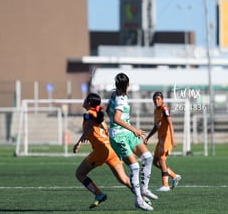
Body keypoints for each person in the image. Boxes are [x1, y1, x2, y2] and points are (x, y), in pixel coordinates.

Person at [106, 73, 156, 211]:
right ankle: (138, 200)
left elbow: (107, 110)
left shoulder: (113, 94)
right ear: (127, 85)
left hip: (127, 133)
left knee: (147, 157)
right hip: (119, 136)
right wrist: (134, 129)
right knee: (134, 167)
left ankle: (144, 190)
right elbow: (116, 118)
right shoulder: (120, 99)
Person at [73, 92, 131, 209]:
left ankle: (99, 195)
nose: (83, 101)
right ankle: (142, 196)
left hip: (101, 151)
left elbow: (89, 126)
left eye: (85, 99)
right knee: (124, 179)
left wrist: (80, 141)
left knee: (79, 174)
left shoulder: (88, 114)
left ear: (89, 103)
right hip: (111, 149)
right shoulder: (100, 117)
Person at [144, 91, 181, 191]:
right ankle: (174, 176)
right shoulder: (156, 111)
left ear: (162, 99)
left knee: (161, 159)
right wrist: (148, 137)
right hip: (160, 138)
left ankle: (165, 185)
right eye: (155, 99)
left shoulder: (165, 109)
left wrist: (173, 139)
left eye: (158, 99)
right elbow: (156, 127)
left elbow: (170, 124)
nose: (156, 101)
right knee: (156, 162)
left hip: (167, 138)